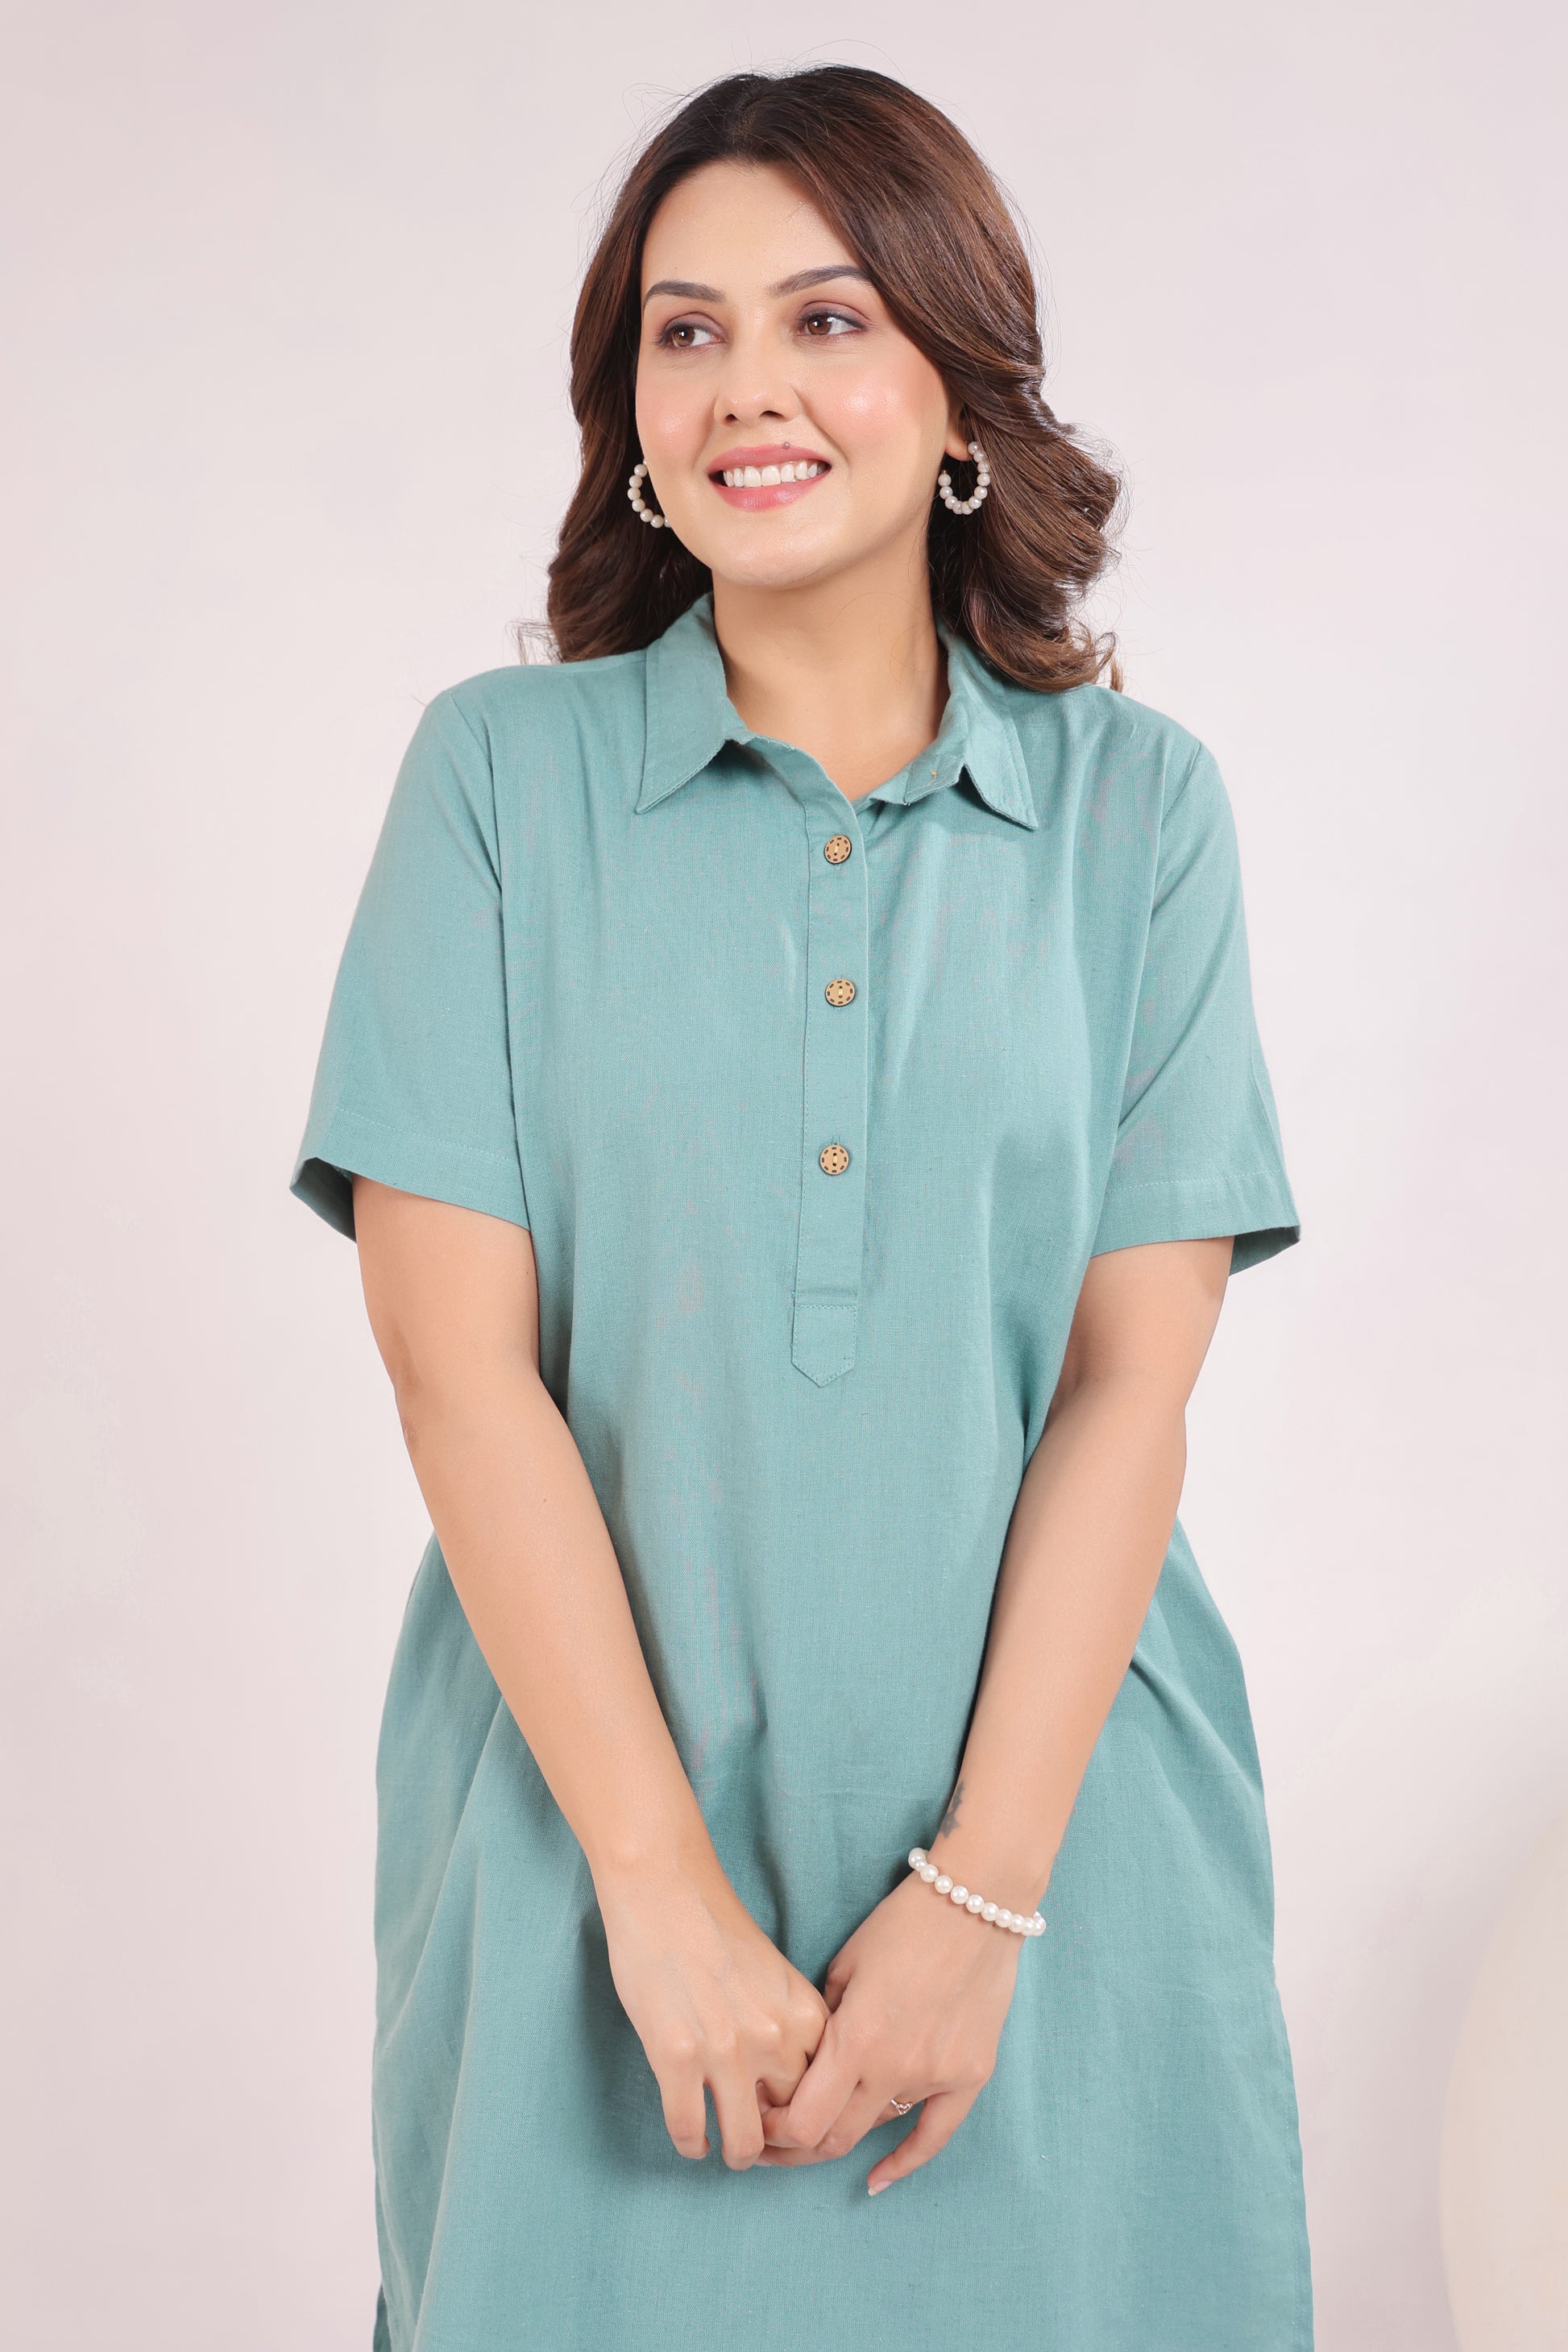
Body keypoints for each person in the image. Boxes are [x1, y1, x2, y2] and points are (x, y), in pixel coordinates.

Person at [289, 63, 1313, 2352]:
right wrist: (655, 1897)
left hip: (1061, 1855)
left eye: (827, 318)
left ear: (957, 391)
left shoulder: (1140, 813)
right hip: (587, 1859)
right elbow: (456, 1374)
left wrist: (984, 1900)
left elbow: (1126, 1395)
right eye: (688, 331)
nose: (747, 383)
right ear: (632, 418)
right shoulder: (498, 782)